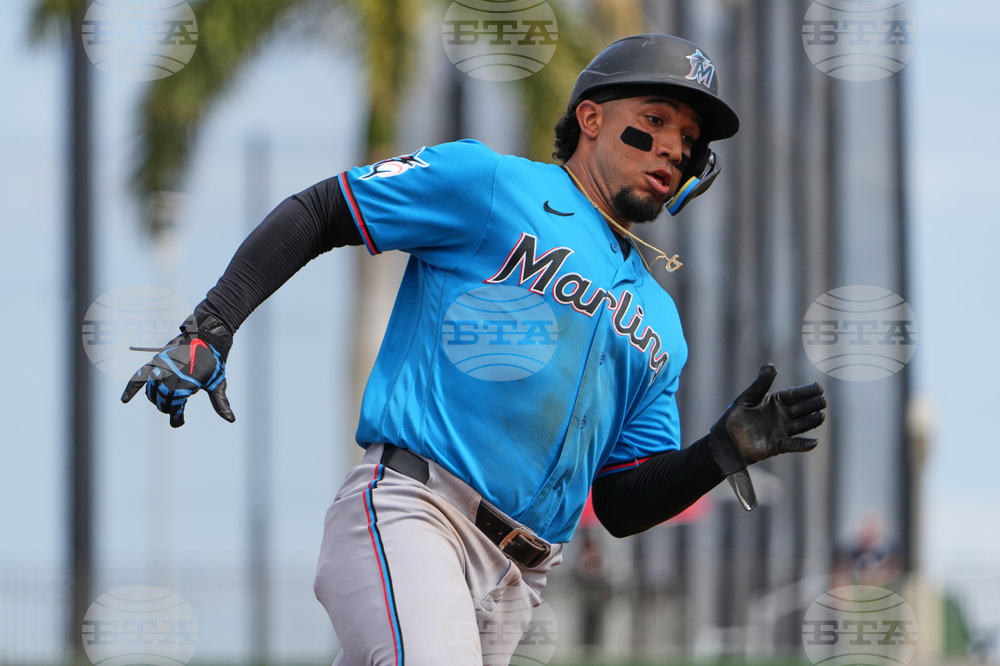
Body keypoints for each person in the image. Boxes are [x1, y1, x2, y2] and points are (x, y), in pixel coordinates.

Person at [122, 34, 826, 665]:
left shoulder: (659, 322)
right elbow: (324, 209)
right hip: (416, 512)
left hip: (519, 579)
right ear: (591, 117)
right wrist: (211, 325)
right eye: (656, 121)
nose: (675, 146)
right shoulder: (492, 184)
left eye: (691, 139)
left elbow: (617, 501)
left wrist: (717, 454)